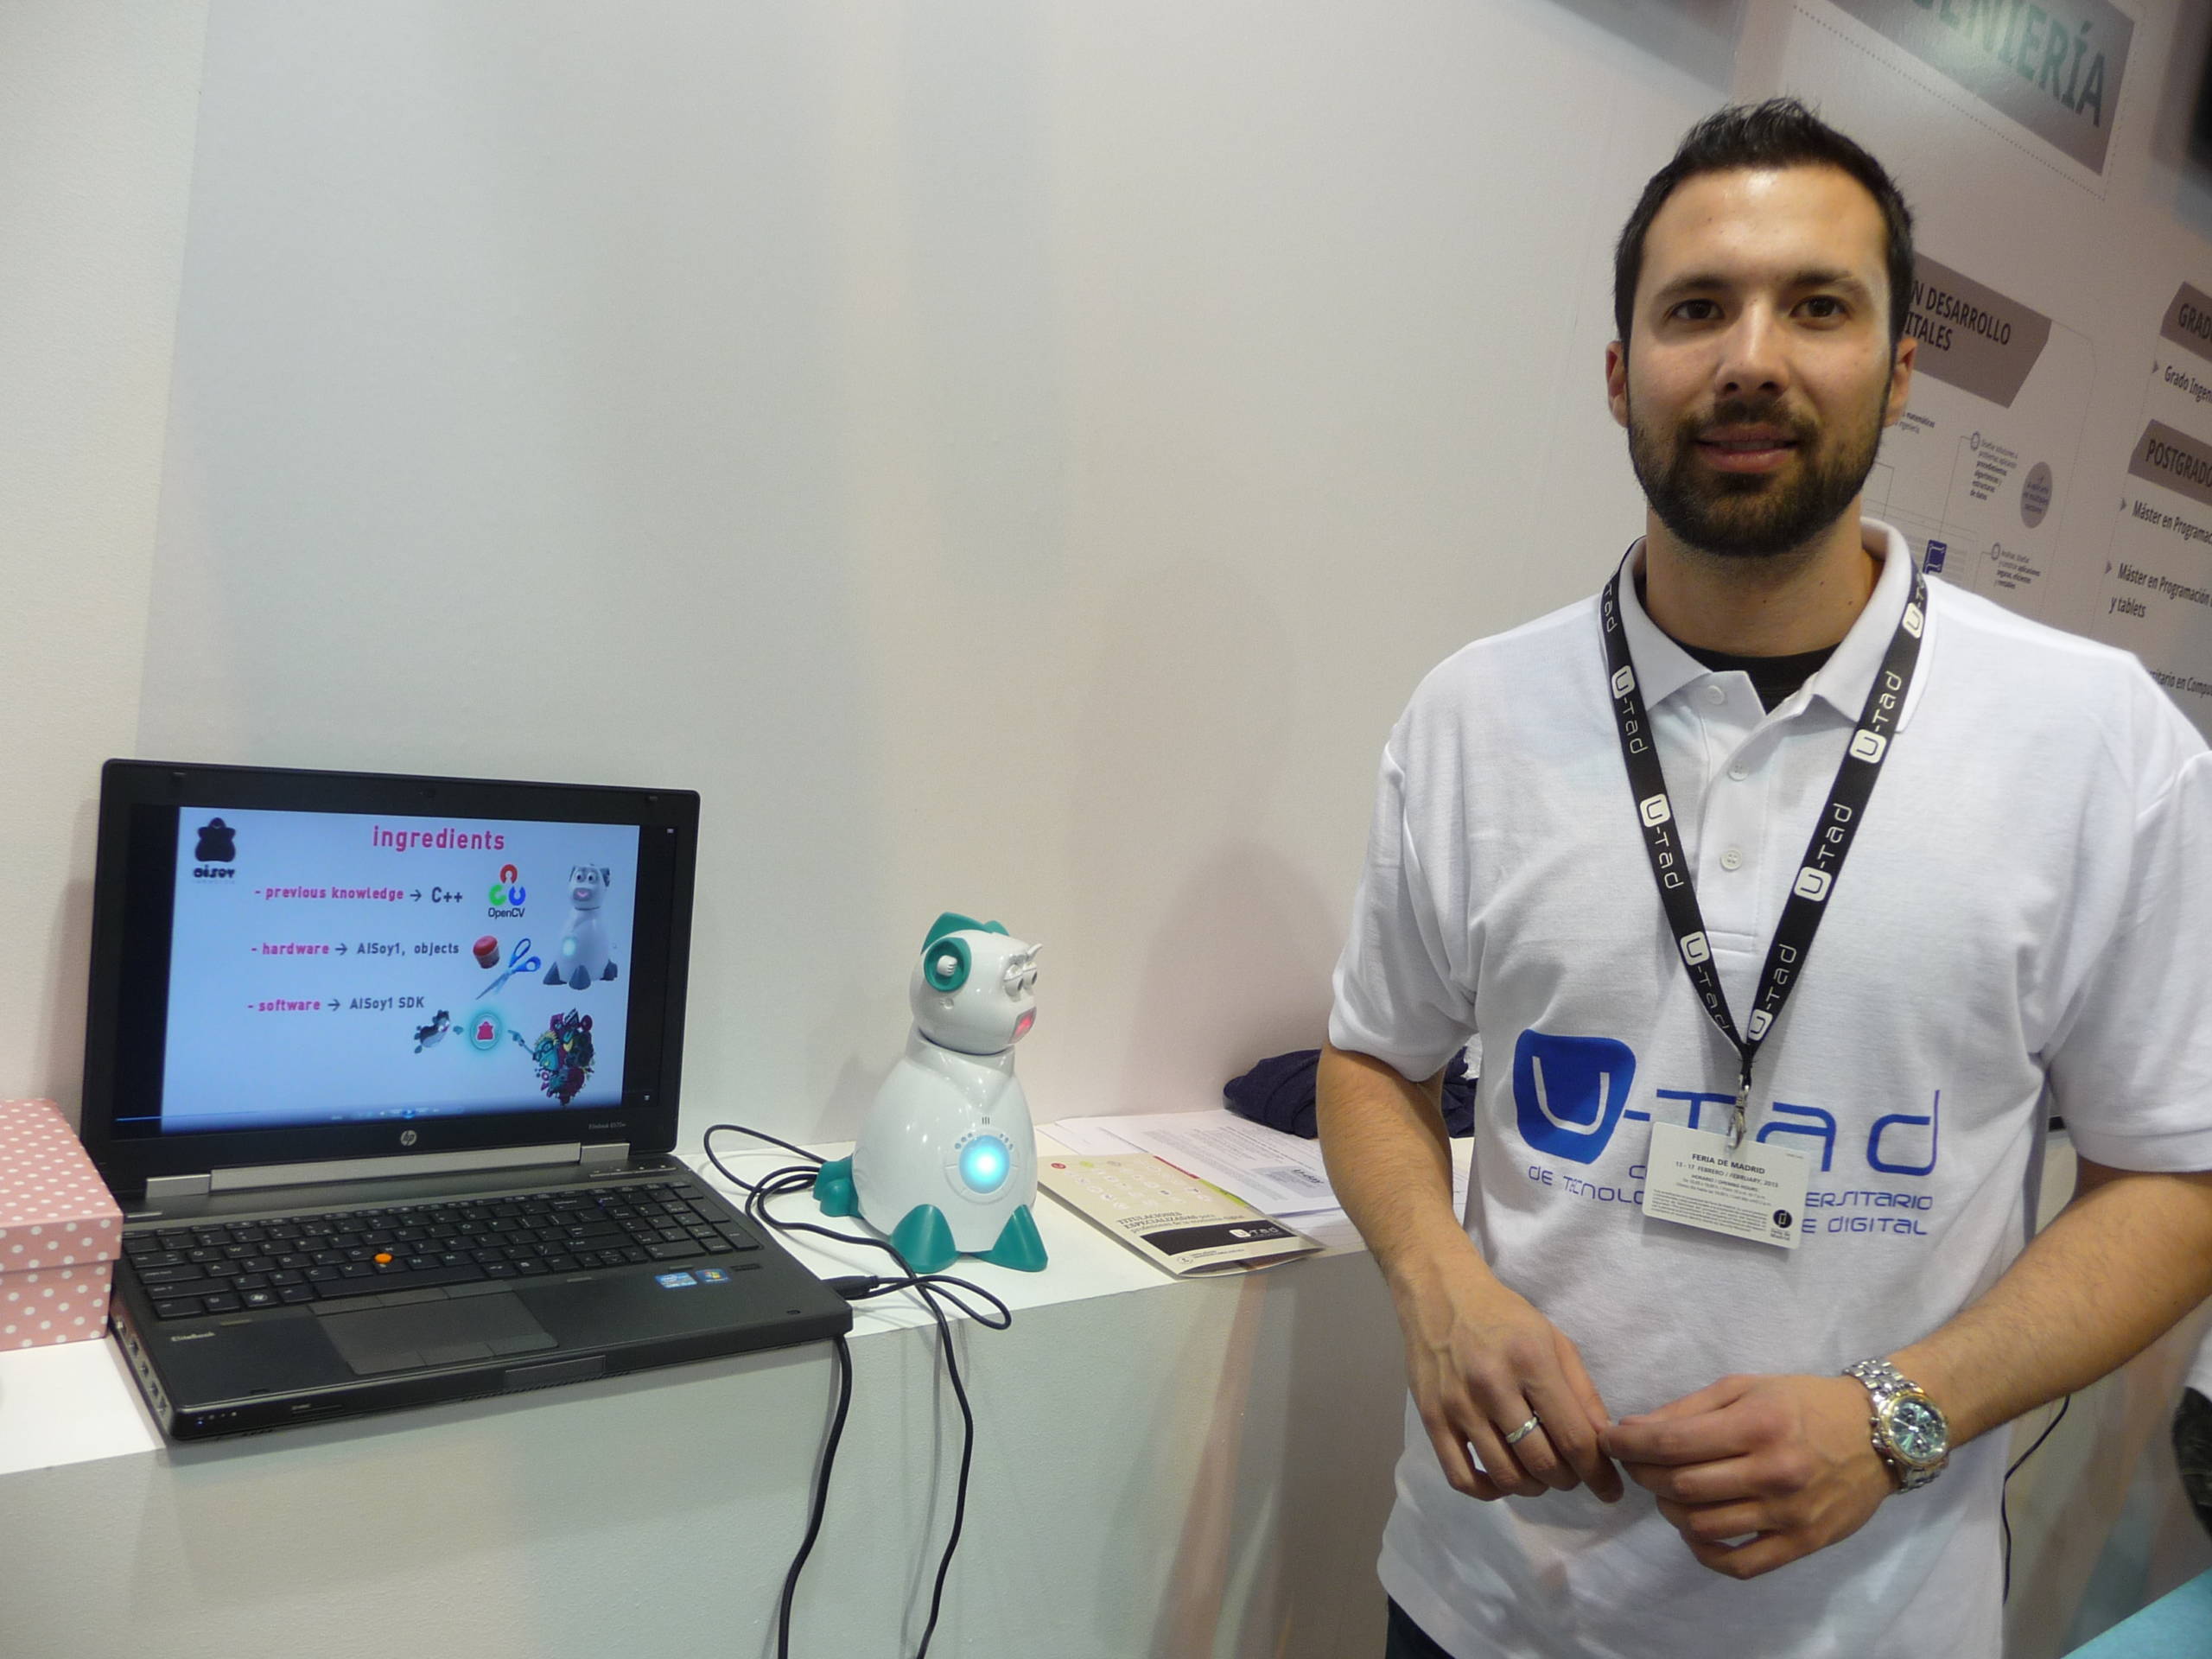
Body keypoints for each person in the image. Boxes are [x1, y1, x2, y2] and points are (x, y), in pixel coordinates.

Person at [1317, 98, 2212, 1659]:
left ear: (1901, 369)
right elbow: (1370, 1060)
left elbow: (2178, 1180)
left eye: (1817, 306)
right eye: (1696, 310)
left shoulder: (2095, 741)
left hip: (1867, 1624)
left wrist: (1899, 1415)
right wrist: (1434, 1282)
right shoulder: (1477, 713)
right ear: (1621, 374)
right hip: (1482, 1602)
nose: (1751, 358)